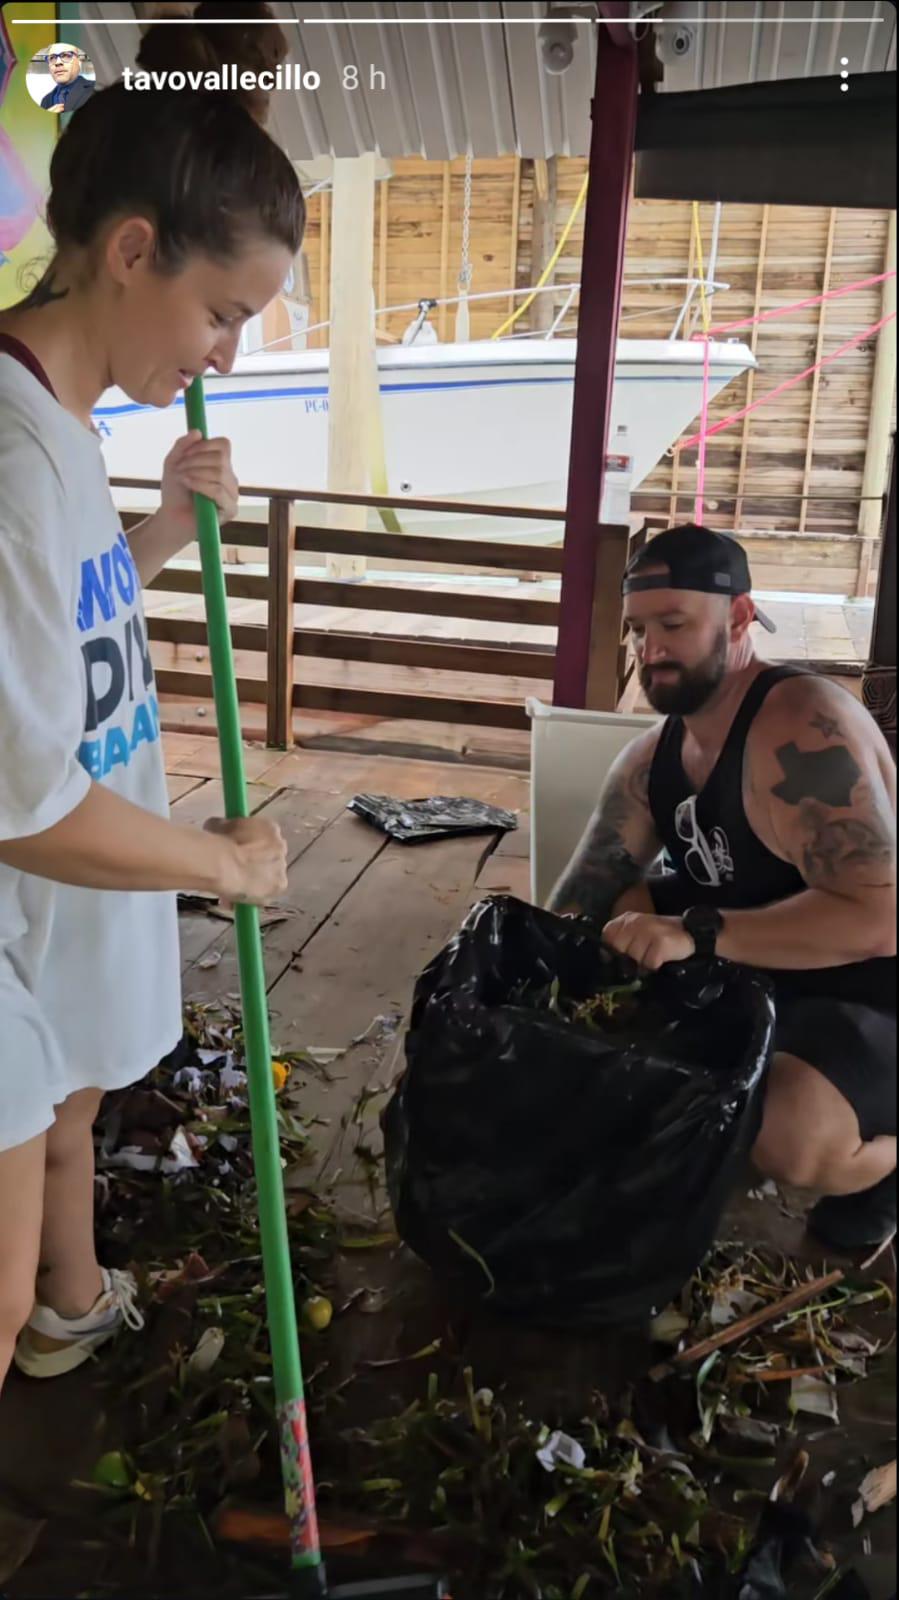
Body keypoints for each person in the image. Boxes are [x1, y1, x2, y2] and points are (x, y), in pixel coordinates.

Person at [0, 25, 305, 1390]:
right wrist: (218, 863)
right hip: (35, 889)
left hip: (64, 897)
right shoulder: (12, 456)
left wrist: (168, 529)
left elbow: (58, 631)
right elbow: (19, 801)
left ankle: (70, 1301)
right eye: (223, 312)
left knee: (60, 1140)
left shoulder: (58, 431)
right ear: (131, 250)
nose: (226, 355)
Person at [549, 524, 897, 1252]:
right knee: (622, 917)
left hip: (876, 981)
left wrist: (697, 932)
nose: (651, 650)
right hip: (772, 971)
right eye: (639, 630)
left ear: (739, 617)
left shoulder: (806, 727)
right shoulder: (651, 760)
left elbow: (879, 918)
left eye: (673, 625)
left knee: (795, 1141)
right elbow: (577, 899)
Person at [40, 44, 96, 115]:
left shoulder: (95, 90)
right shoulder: (45, 101)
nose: (58, 62)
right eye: (52, 58)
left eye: (66, 56)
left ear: (79, 62)